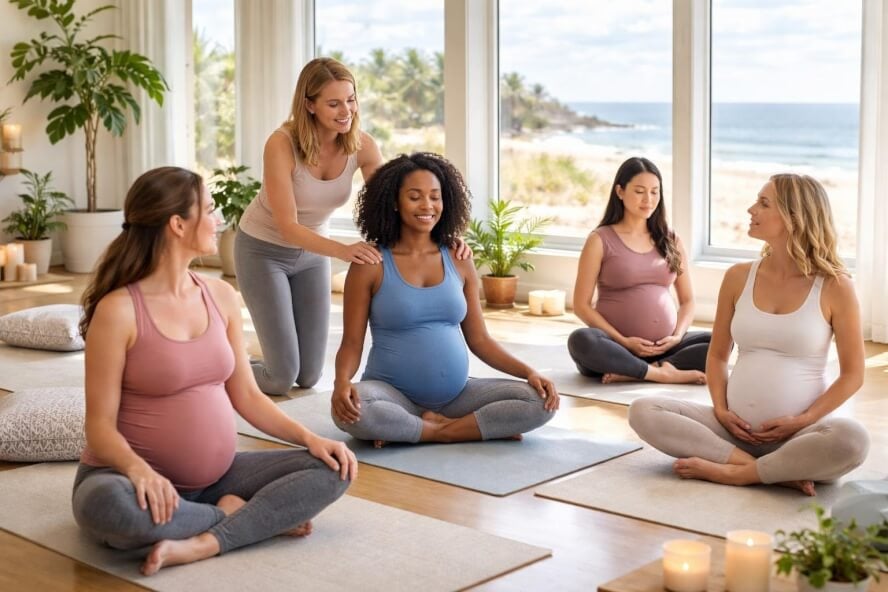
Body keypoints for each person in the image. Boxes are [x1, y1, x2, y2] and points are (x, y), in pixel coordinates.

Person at [73, 167, 358, 576]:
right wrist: (139, 471)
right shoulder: (118, 311)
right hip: (124, 478)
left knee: (334, 468)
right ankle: (244, 519)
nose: (218, 218)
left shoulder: (221, 296)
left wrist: (312, 439)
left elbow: (247, 396)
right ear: (177, 224)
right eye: (208, 209)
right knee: (108, 510)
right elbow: (99, 426)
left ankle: (206, 538)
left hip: (220, 477)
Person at [235, 57, 469, 395]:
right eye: (333, 103)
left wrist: (447, 238)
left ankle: (261, 356)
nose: (346, 110)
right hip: (263, 250)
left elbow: (397, 200)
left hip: (313, 254)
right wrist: (346, 251)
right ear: (309, 104)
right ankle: (227, 365)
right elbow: (287, 226)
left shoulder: (362, 144)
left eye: (351, 99)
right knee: (281, 377)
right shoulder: (281, 144)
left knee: (309, 376)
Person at [628, 174, 869, 495]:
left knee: (852, 440)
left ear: (794, 217)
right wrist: (722, 411)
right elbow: (716, 356)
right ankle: (762, 470)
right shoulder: (738, 277)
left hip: (800, 435)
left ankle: (735, 473)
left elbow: (853, 374)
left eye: (763, 203)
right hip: (731, 431)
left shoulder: (835, 285)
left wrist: (804, 420)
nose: (750, 209)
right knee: (643, 411)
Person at [331, 152, 559, 447]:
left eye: (435, 197)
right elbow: (351, 343)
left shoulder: (459, 258)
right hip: (391, 395)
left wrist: (529, 372)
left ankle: (427, 430)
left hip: (458, 396)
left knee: (539, 401)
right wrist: (341, 384)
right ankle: (463, 429)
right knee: (352, 412)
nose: (427, 205)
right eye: (415, 197)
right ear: (394, 203)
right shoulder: (369, 263)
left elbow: (480, 340)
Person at [568, 156, 710, 384]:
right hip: (615, 347)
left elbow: (688, 301)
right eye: (640, 191)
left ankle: (643, 370)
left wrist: (677, 337)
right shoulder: (600, 239)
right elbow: (581, 306)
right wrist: (624, 341)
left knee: (718, 341)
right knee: (581, 341)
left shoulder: (670, 239)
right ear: (620, 191)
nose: (648, 199)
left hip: (665, 348)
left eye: (655, 192)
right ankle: (660, 373)